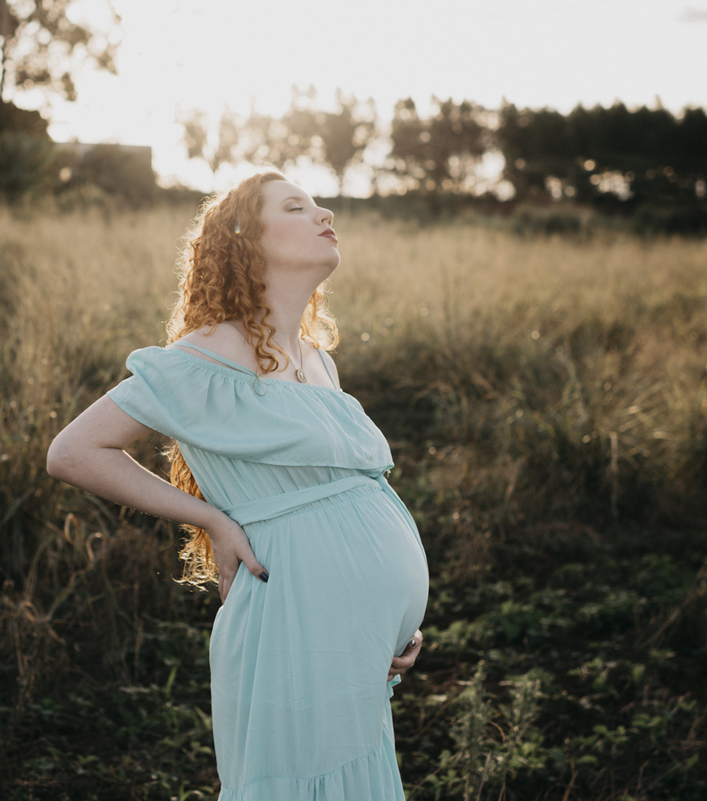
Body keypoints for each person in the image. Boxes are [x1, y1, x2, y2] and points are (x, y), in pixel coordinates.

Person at [46, 169, 429, 800]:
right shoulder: (210, 350)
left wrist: (386, 620)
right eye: (296, 206)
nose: (324, 212)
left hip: (347, 640)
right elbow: (74, 450)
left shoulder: (317, 358)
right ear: (247, 237)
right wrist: (214, 521)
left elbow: (347, 496)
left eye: (319, 204)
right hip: (289, 621)